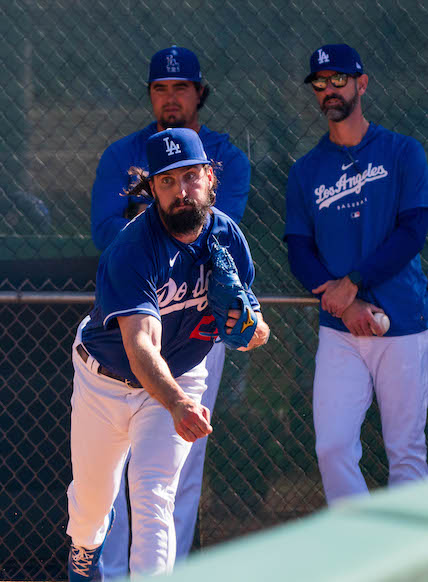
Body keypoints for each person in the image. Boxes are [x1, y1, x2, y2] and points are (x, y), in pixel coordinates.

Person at [67, 128, 269, 578]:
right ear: (151, 188)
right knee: (93, 506)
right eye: (167, 181)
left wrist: (252, 330)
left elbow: (256, 323)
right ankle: (83, 551)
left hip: (179, 374)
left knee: (154, 493)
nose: (181, 191)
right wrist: (177, 403)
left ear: (210, 178)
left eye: (190, 176)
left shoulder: (228, 236)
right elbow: (140, 346)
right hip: (106, 380)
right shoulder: (133, 248)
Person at [90, 46, 252, 575]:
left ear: (199, 93)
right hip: (136, 310)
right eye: (160, 88)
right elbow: (108, 232)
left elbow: (214, 229)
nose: (170, 97)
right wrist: (152, 243)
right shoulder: (121, 153)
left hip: (199, 322)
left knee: (178, 462)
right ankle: (111, 573)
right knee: (114, 466)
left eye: (181, 87)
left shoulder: (227, 154)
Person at [284, 43, 428, 504]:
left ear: (361, 84)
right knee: (332, 446)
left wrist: (355, 283)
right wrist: (345, 303)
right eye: (320, 83)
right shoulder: (306, 171)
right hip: (340, 328)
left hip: (403, 319)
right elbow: (300, 250)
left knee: (405, 450)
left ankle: (408, 564)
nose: (329, 89)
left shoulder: (404, 152)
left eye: (339, 80)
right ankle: (362, 552)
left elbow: (413, 231)